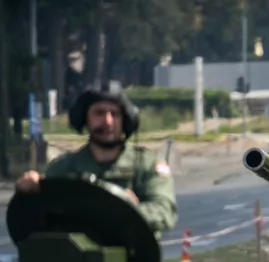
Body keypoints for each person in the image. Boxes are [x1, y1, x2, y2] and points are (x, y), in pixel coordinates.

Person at [15, 80, 178, 236]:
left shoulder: (147, 164)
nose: (108, 122)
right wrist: (29, 191)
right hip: (78, 261)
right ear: (85, 118)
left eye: (114, 114)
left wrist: (129, 211)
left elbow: (164, 211)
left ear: (126, 120)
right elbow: (36, 217)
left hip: (134, 260)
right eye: (99, 113)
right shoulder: (64, 168)